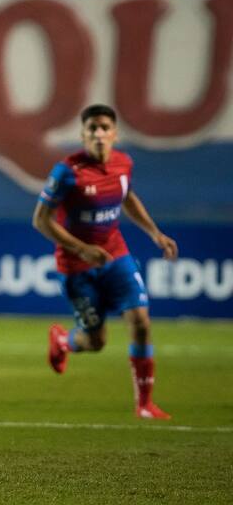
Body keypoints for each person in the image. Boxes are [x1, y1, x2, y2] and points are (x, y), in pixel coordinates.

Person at [32, 104, 177, 420]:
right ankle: (62, 339)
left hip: (116, 256)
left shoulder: (124, 163)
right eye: (92, 129)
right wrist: (82, 249)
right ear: (83, 134)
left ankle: (144, 405)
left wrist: (155, 233)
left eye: (104, 128)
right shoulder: (67, 171)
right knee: (95, 342)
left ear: (114, 133)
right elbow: (41, 220)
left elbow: (127, 197)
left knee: (140, 322)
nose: (98, 134)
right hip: (77, 267)